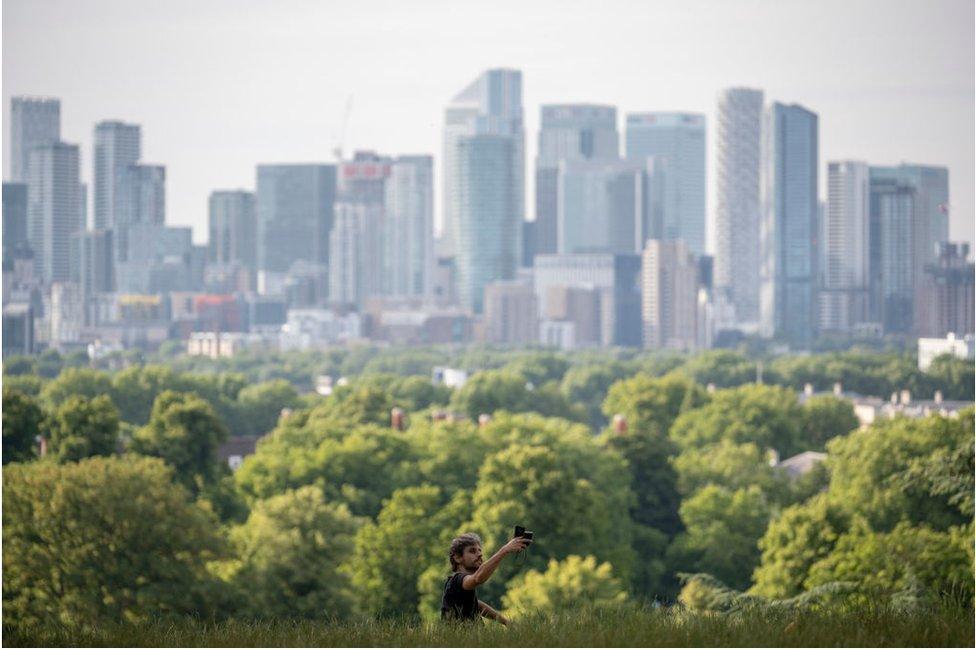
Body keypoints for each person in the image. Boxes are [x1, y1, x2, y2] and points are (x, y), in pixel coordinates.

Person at [440, 532, 530, 624]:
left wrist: (507, 623)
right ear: (458, 558)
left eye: (480, 551)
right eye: (472, 551)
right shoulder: (457, 580)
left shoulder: (455, 586)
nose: (479, 554)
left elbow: (477, 605)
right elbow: (478, 578)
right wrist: (505, 550)